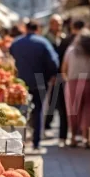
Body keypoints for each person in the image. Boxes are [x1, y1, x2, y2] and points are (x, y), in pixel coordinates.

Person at [10, 22, 59, 150]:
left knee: (19, 111)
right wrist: (52, 75)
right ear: (38, 29)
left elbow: (9, 59)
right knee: (38, 110)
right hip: (40, 81)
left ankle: (18, 141)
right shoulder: (43, 43)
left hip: (20, 82)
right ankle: (36, 141)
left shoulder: (16, 43)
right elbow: (53, 62)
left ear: (26, 29)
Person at [62, 29, 90, 147]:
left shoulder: (71, 51)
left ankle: (73, 137)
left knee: (73, 111)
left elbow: (64, 68)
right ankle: (85, 138)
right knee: (88, 110)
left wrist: (67, 78)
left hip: (73, 82)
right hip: (89, 82)